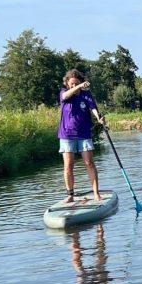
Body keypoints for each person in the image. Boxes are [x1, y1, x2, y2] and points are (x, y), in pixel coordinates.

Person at [59, 69, 106, 203]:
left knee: (89, 163)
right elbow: (65, 97)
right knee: (68, 166)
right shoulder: (64, 93)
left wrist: (99, 118)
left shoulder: (86, 95)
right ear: (67, 84)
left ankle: (96, 193)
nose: (74, 86)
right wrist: (79, 86)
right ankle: (70, 195)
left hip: (84, 134)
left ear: (80, 81)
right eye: (71, 84)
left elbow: (93, 108)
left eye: (76, 83)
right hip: (67, 134)